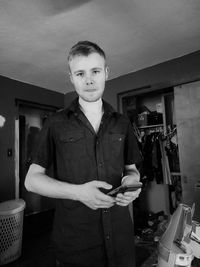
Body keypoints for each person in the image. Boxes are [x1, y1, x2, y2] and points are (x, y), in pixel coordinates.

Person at [25, 41, 142, 267]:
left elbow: (132, 169)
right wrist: (78, 193)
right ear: (71, 77)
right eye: (80, 73)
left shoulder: (122, 122)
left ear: (106, 73)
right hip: (75, 245)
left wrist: (132, 182)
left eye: (95, 71)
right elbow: (31, 181)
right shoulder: (55, 123)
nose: (89, 80)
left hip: (121, 241)